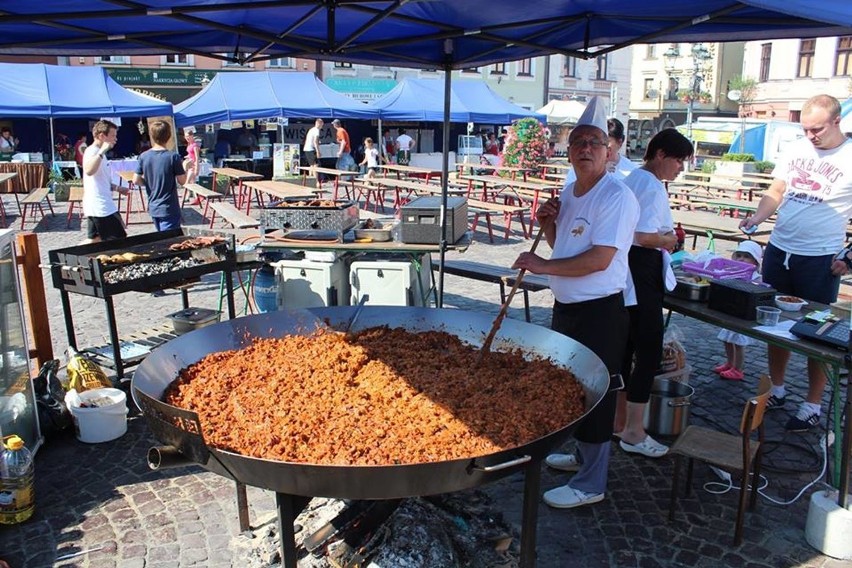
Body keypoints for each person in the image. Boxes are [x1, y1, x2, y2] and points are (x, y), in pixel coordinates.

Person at [512, 96, 639, 509]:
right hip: (568, 308)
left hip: (600, 311)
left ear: (609, 151)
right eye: (578, 141)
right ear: (568, 151)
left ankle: (591, 483)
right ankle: (583, 455)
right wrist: (548, 223)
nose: (585, 148)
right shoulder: (570, 191)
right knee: (573, 387)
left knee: (598, 393)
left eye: (595, 142)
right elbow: (561, 245)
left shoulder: (616, 197)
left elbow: (600, 259)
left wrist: (543, 266)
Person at [739, 94, 852, 432]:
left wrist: (849, 254)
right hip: (780, 249)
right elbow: (777, 189)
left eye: (817, 129)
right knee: (775, 324)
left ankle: (813, 404)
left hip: (819, 258)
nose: (811, 136)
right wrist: (757, 217)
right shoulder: (796, 149)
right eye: (805, 129)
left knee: (818, 334)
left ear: (836, 122)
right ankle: (777, 388)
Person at [614, 128, 692, 458]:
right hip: (640, 270)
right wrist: (669, 240)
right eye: (679, 160)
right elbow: (641, 236)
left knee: (626, 348)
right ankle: (633, 430)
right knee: (647, 351)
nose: (681, 168)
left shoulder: (637, 179)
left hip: (633, 272)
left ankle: (618, 423)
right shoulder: (647, 183)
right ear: (660, 154)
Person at [714, 241, 764, 381]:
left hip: (744, 314)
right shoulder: (733, 272)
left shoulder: (757, 278)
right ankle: (730, 362)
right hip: (732, 310)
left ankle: (738, 368)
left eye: (746, 256)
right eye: (739, 256)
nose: (741, 259)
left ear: (755, 261)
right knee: (727, 339)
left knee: (739, 342)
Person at [134, 120, 187, 232]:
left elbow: (136, 180)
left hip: (154, 206)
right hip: (169, 207)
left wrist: (148, 183)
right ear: (169, 135)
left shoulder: (143, 156)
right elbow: (182, 181)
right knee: (169, 242)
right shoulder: (173, 157)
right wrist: (185, 166)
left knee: (161, 238)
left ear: (151, 136)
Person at [82, 119, 127, 244]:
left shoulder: (100, 153)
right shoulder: (93, 151)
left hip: (101, 204)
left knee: (94, 239)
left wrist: (117, 188)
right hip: (101, 206)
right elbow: (88, 170)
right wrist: (102, 152)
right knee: (119, 240)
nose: (115, 139)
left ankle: (66, 257)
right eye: (113, 135)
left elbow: (100, 179)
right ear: (102, 136)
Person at [564, 118, 637, 186]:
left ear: (620, 143)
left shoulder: (632, 170)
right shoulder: (584, 165)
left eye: (607, 142)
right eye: (596, 142)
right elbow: (569, 191)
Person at [303, 118, 324, 187]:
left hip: (307, 148)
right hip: (310, 149)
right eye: (322, 125)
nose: (322, 127)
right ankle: (316, 181)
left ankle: (310, 181)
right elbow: (315, 142)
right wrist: (318, 151)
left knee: (311, 165)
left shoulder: (311, 129)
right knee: (315, 165)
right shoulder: (316, 130)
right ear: (319, 123)